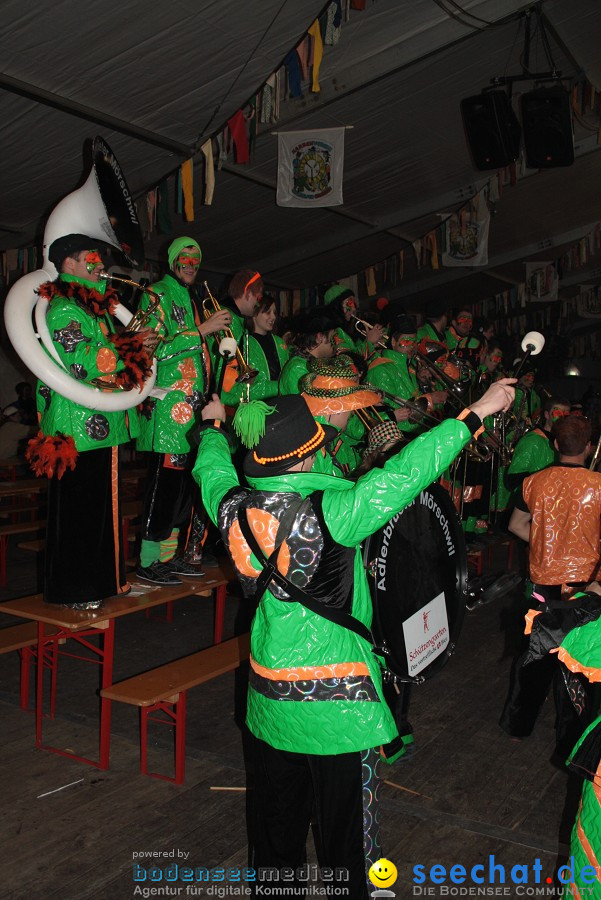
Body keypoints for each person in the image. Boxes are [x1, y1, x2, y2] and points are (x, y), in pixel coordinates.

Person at [193, 377, 515, 896]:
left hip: (269, 702)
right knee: (348, 842)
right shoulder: (335, 515)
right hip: (340, 709)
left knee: (276, 827)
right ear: (305, 457)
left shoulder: (230, 506)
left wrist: (211, 425)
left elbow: (210, 468)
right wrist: (476, 412)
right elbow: (406, 474)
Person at [26, 233, 155, 609]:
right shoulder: (65, 307)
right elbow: (81, 361)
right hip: (76, 428)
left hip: (96, 424)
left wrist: (136, 350)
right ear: (68, 264)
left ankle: (100, 583)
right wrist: (129, 346)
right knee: (81, 515)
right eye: (93, 258)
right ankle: (76, 590)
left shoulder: (88, 308)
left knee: (98, 513)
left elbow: (105, 364)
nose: (100, 265)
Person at [500, 415, 601, 753]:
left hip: (544, 584)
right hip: (586, 589)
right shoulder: (599, 485)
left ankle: (518, 725)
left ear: (555, 445)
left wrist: (544, 542)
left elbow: (516, 525)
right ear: (588, 447)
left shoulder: (533, 482)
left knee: (534, 657)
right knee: (579, 662)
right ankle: (571, 740)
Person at [135, 237, 231, 585]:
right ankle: (147, 560)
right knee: (163, 490)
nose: (191, 264)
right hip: (168, 415)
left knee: (181, 492)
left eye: (196, 259)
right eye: (185, 258)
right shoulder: (156, 293)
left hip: (193, 412)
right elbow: (151, 346)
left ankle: (168, 557)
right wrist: (203, 331)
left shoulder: (192, 299)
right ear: (172, 260)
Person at [278, 307, 337, 394]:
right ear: (319, 337)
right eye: (333, 337)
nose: (337, 341)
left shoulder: (310, 363)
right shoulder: (297, 369)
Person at [323, 283, 384, 356]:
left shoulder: (346, 330)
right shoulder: (334, 333)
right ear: (336, 307)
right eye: (349, 303)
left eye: (353, 303)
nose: (354, 308)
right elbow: (348, 360)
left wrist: (373, 346)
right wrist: (369, 342)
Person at [249, 295, 289, 383]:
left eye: (274, 312)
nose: (273, 317)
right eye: (268, 312)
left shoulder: (279, 342)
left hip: (281, 395)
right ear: (254, 314)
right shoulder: (245, 342)